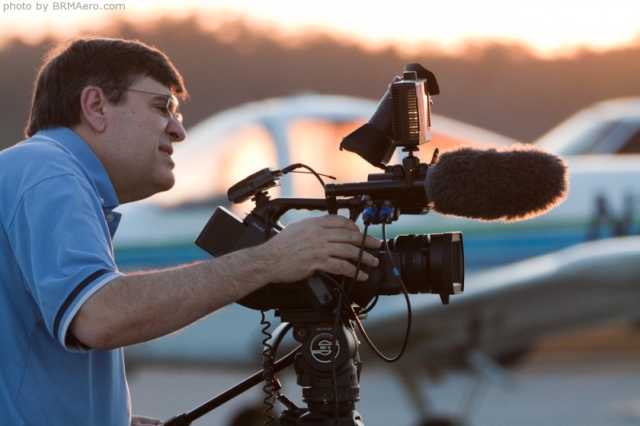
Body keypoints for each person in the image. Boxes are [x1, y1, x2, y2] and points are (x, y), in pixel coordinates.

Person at [0, 37, 381, 426]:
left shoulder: (40, 174)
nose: (179, 130)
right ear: (96, 106)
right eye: (162, 107)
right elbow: (99, 317)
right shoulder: (47, 169)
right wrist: (274, 259)